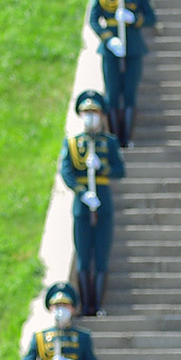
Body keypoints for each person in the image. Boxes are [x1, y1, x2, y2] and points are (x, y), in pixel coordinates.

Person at [60, 89, 126, 318]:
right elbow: (66, 171)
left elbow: (119, 170)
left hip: (103, 199)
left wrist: (101, 167)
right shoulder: (72, 143)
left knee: (100, 255)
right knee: (83, 257)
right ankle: (84, 305)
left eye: (94, 112)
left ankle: (96, 305)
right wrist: (81, 191)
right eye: (86, 112)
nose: (90, 116)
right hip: (82, 202)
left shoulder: (109, 142)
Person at [89, 0, 158, 147]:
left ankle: (126, 137)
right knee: (111, 92)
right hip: (111, 48)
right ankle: (114, 137)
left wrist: (133, 19)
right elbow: (94, 20)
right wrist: (108, 38)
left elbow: (151, 18)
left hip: (134, 46)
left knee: (129, 92)